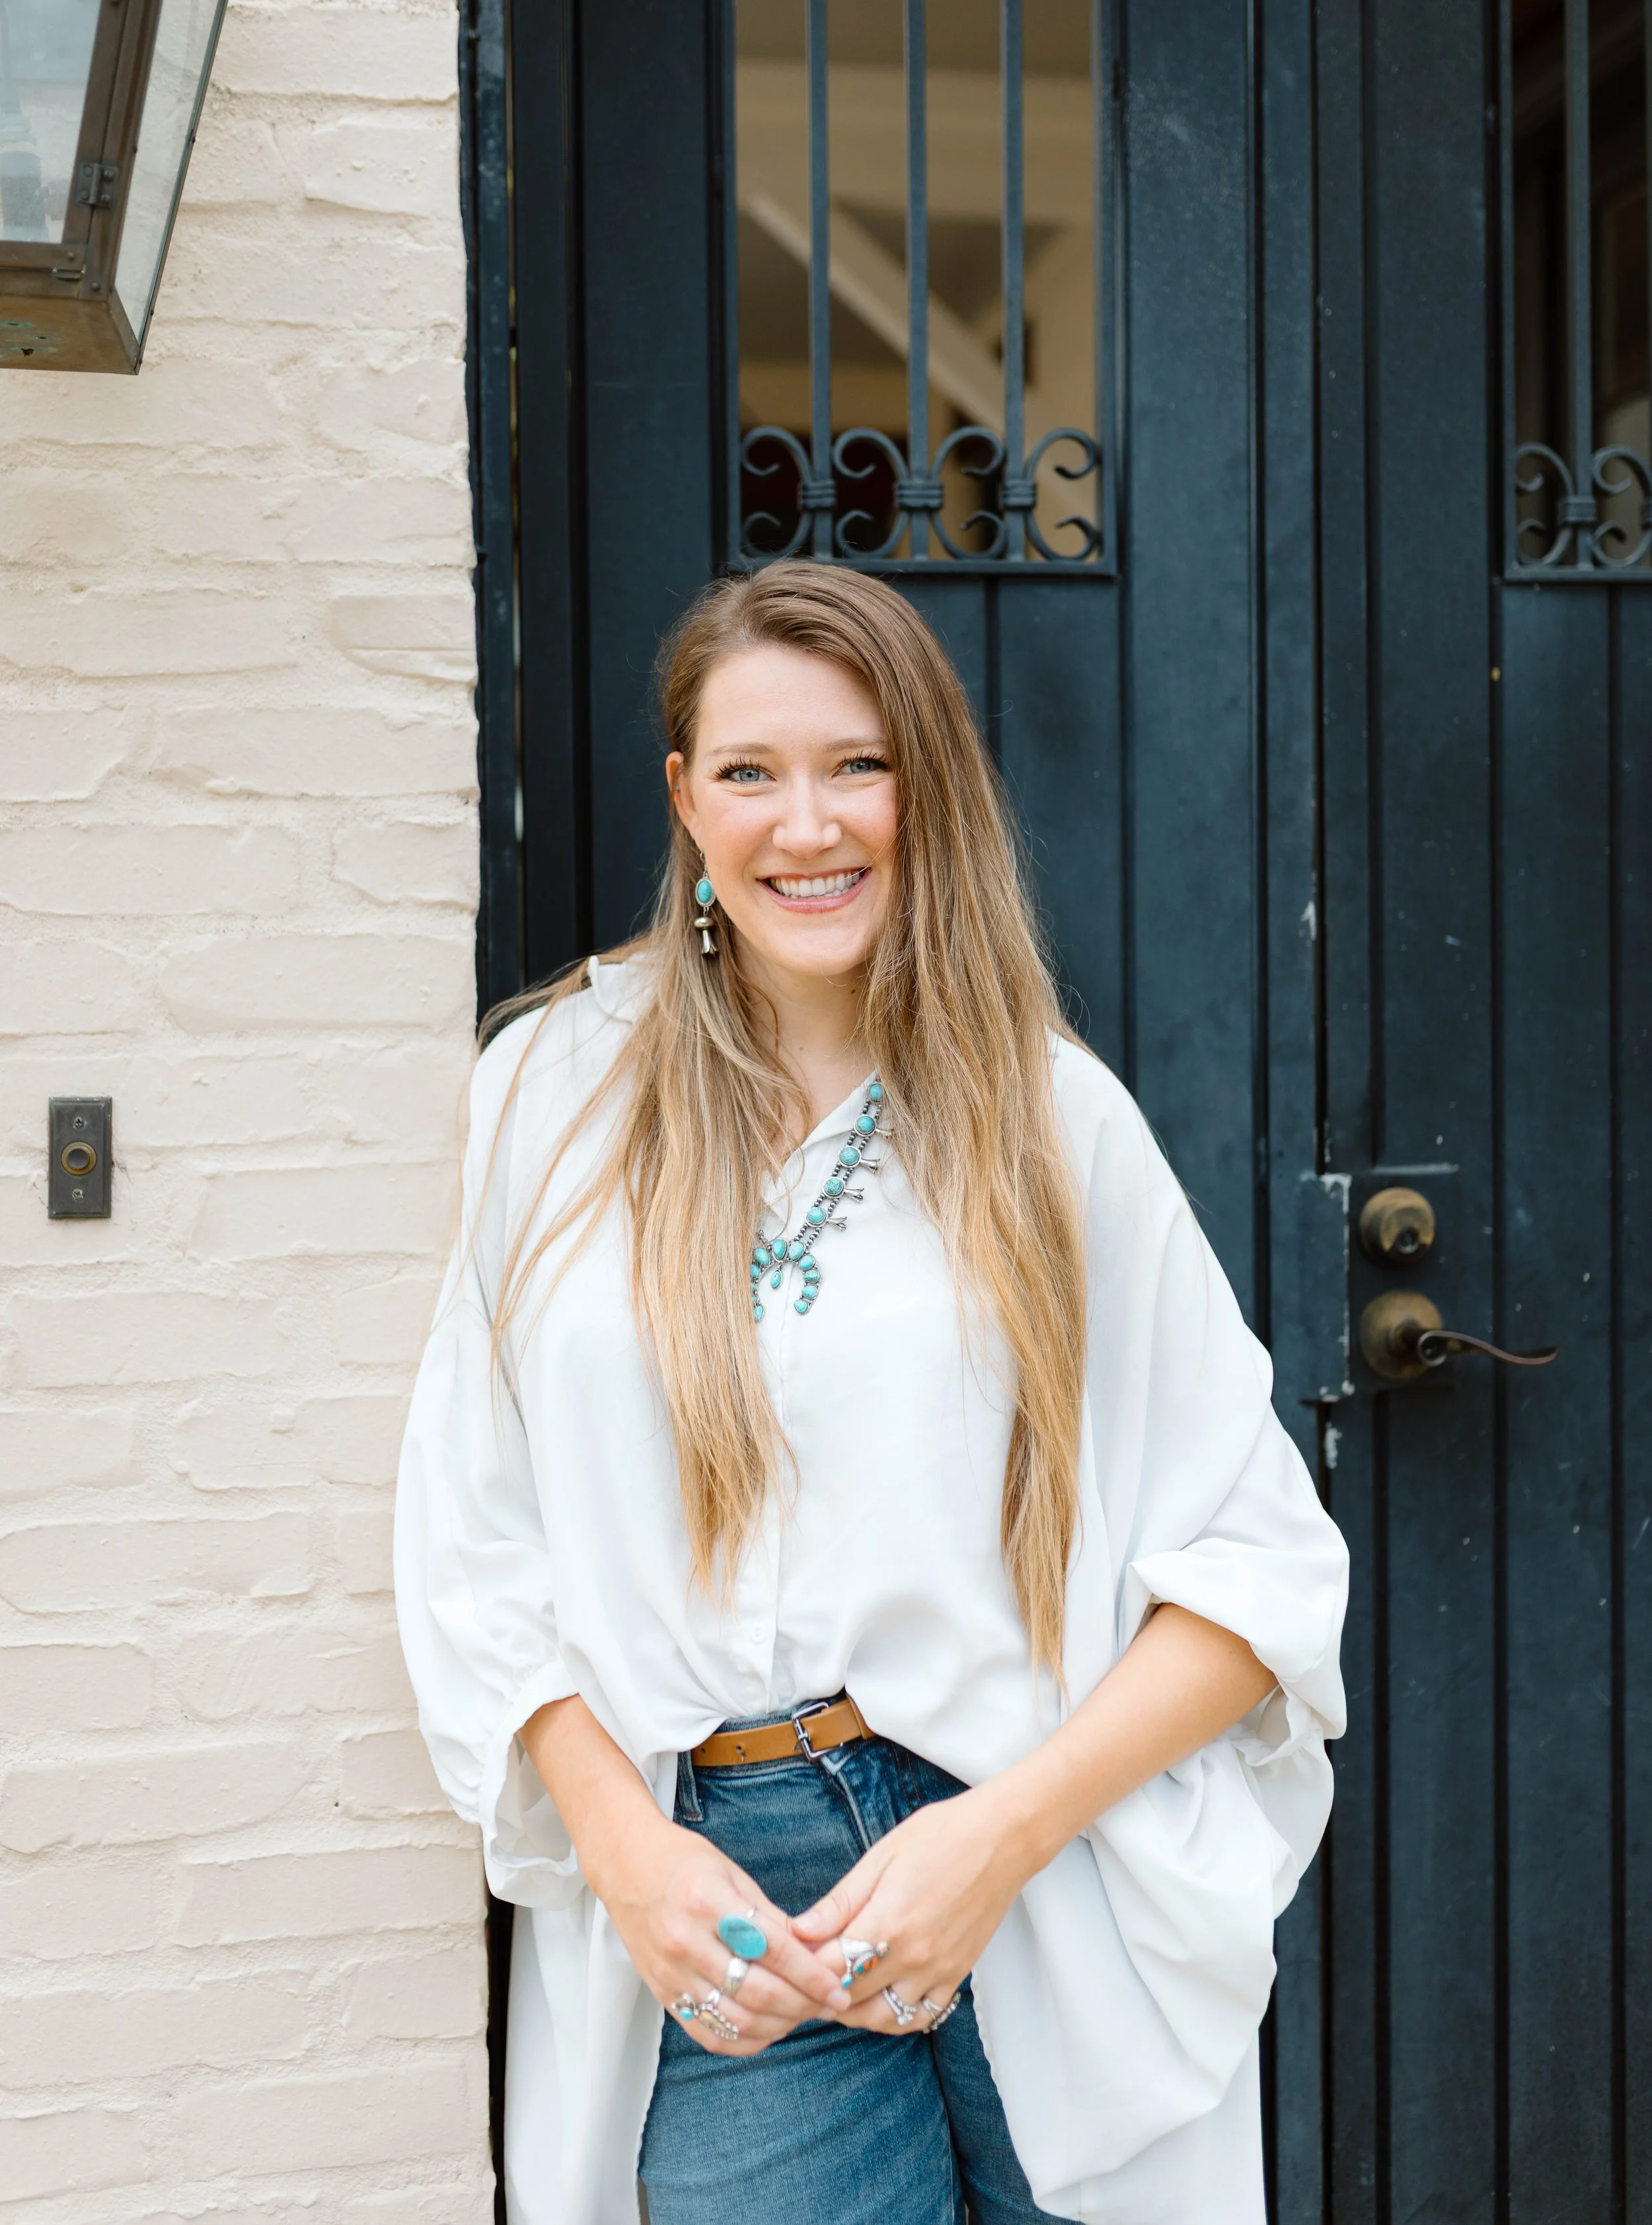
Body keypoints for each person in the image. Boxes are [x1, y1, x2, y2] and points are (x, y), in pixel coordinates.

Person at [394, 562, 1348, 2225]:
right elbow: (471, 1543)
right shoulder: (549, 1093)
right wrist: (624, 1856)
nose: (805, 823)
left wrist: (1000, 1840)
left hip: (1029, 1873)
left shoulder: (1052, 1125)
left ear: (929, 784)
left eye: (856, 764)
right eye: (750, 772)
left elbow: (1257, 1572)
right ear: (685, 802)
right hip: (728, 1916)